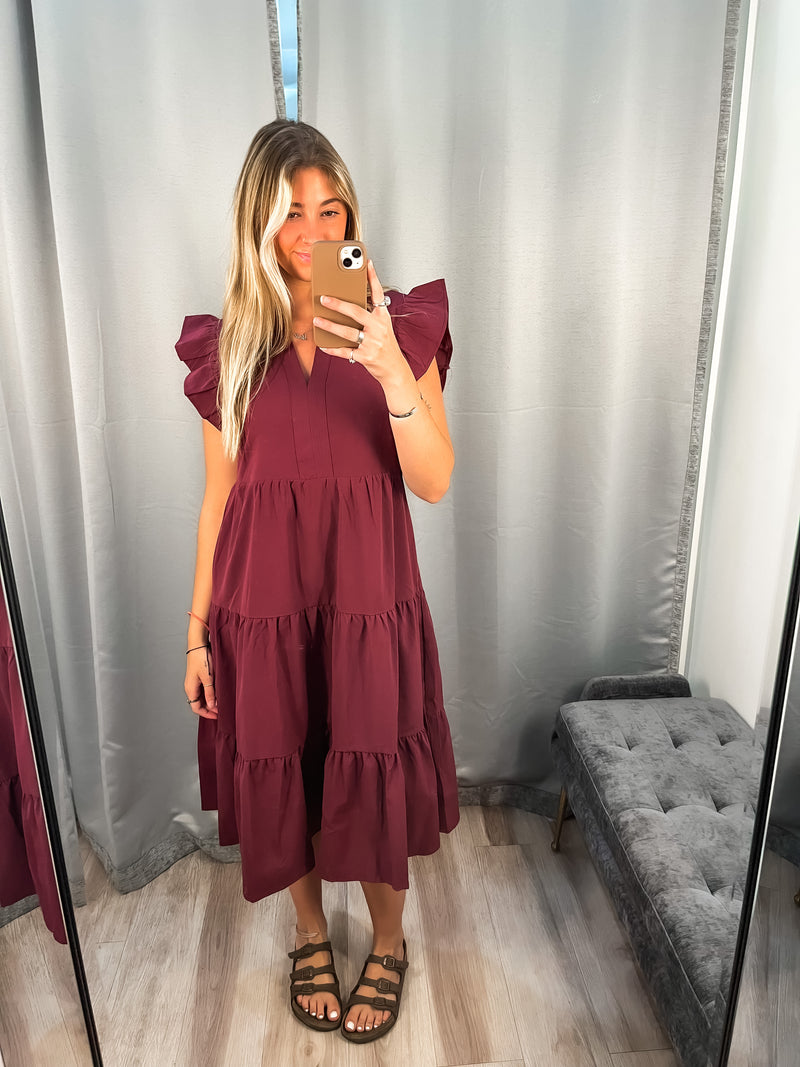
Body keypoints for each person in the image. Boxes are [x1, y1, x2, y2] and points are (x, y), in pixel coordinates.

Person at [177, 119, 459, 1043]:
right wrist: (196, 631)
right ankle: (308, 931)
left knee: (370, 759)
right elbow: (219, 500)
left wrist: (389, 369)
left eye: (328, 209)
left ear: (350, 217)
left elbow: (435, 479)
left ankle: (389, 939)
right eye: (289, 212)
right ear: (257, 224)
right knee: (286, 766)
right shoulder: (231, 348)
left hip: (367, 603)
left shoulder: (399, 325)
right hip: (260, 611)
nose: (310, 231)